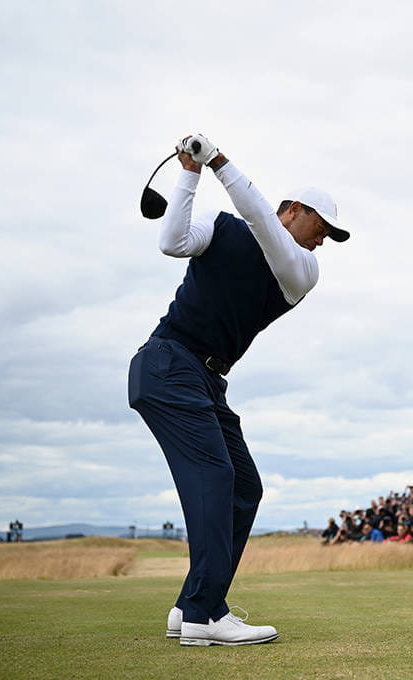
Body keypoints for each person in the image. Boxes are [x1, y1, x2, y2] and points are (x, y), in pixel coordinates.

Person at [129, 134, 349, 646]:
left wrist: (221, 164)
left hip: (205, 379)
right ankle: (206, 615)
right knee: (215, 473)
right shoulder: (222, 226)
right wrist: (191, 172)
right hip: (168, 363)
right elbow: (172, 242)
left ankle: (191, 604)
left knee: (244, 486)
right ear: (294, 210)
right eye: (322, 227)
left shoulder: (301, 271)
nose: (322, 242)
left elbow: (265, 229)